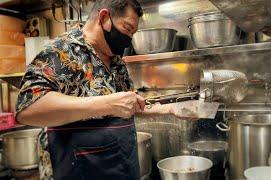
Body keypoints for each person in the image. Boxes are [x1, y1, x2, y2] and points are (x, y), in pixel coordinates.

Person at [15, 0, 181, 179]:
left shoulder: (116, 60)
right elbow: (28, 109)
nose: (128, 39)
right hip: (73, 169)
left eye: (133, 33)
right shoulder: (62, 51)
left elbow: (128, 104)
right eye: (127, 29)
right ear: (104, 18)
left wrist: (169, 109)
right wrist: (107, 104)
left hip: (117, 167)